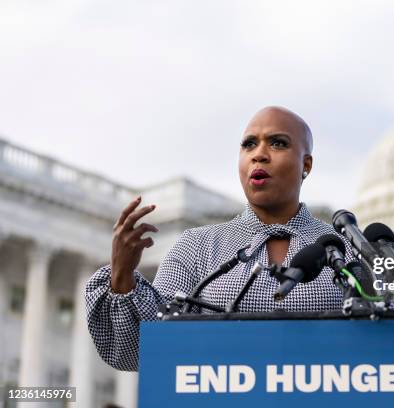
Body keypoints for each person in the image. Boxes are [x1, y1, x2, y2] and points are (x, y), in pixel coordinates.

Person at [85, 106, 352, 371]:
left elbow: (386, 344)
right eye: (249, 145)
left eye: (278, 143)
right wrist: (122, 278)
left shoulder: (349, 249)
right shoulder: (195, 246)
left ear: (306, 164)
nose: (259, 155)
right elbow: (145, 348)